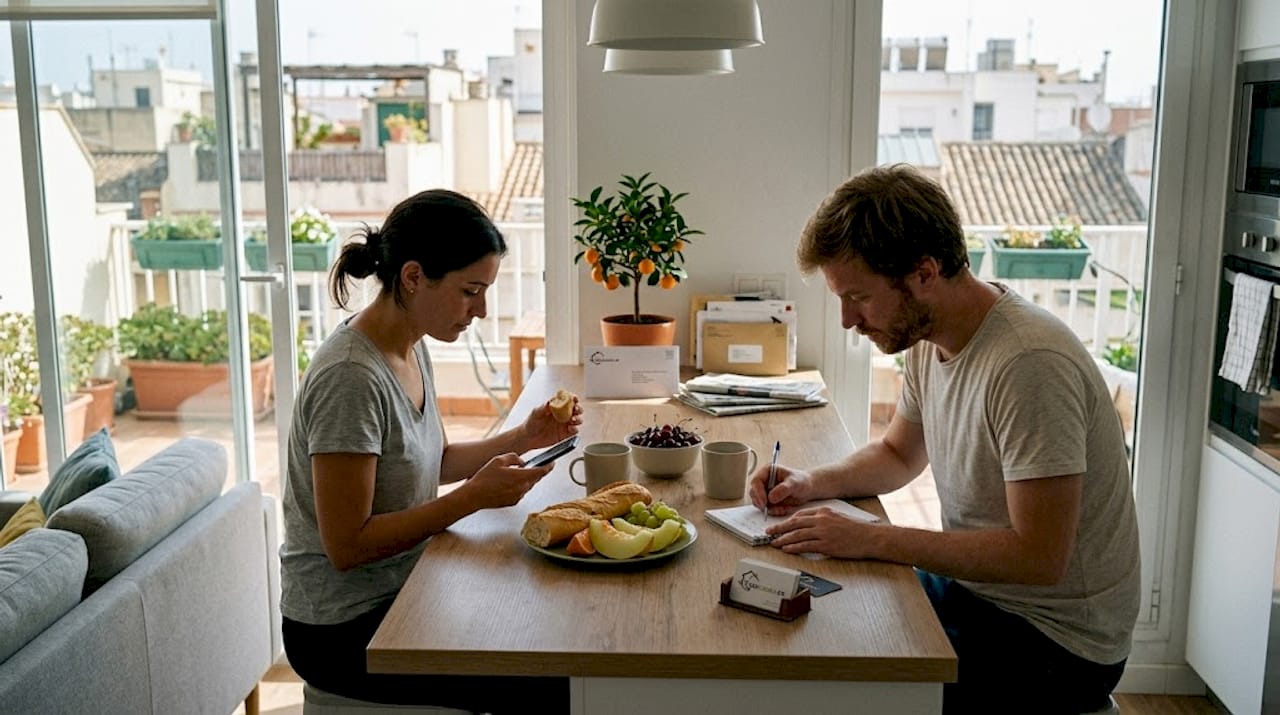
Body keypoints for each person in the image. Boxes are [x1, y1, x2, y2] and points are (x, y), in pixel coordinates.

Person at [751, 165, 1139, 714]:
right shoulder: (927, 338)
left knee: (837, 675)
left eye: (858, 296)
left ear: (925, 272)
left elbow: (1039, 557)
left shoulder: (1028, 364)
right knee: (822, 611)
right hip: (981, 596)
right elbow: (898, 454)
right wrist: (811, 482)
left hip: (1057, 643)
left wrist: (874, 538)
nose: (846, 321)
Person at [280, 189, 578, 711]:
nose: (482, 310)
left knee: (550, 623)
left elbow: (430, 462)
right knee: (554, 680)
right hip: (343, 629)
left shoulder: (410, 344)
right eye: (470, 291)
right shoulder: (351, 376)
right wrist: (471, 499)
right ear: (414, 277)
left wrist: (523, 438)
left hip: (404, 586)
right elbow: (347, 546)